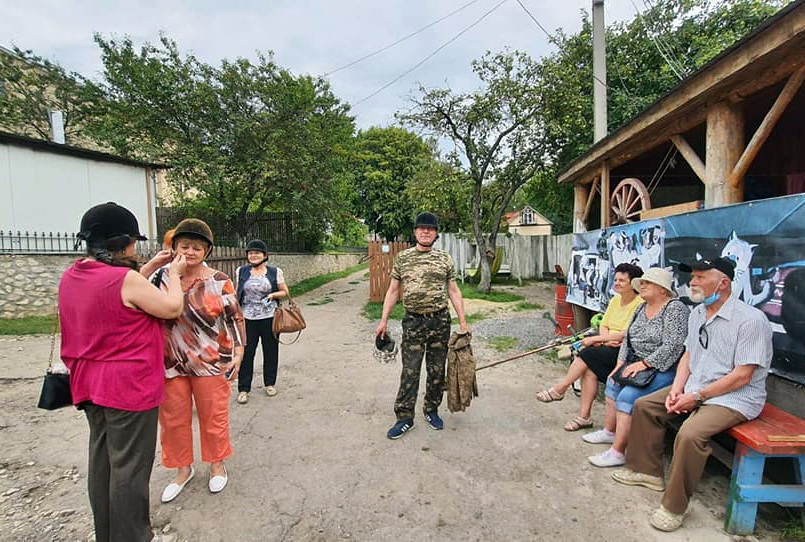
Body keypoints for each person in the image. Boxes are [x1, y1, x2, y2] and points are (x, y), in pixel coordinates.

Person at [611, 257, 773, 532]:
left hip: (734, 397)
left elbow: (742, 376)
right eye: (692, 276)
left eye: (700, 277)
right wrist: (677, 389)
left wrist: (696, 397)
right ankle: (646, 472)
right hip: (696, 387)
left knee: (690, 433)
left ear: (723, 283)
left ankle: (673, 507)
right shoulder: (698, 312)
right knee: (646, 405)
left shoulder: (751, 320)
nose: (692, 282)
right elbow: (688, 354)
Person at [59, 202, 186, 542]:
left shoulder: (74, 275)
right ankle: (132, 537)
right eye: (133, 242)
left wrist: (148, 267)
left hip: (89, 385)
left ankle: (107, 534)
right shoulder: (126, 279)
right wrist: (172, 275)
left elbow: (116, 294)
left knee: (103, 464)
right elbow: (172, 306)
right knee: (129, 469)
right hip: (128, 389)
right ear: (123, 243)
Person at [154, 218, 246, 503]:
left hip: (209, 361)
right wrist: (168, 271)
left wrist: (239, 352)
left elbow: (234, 318)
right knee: (172, 420)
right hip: (170, 361)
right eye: (184, 246)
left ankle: (217, 464)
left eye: (196, 247)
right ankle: (183, 469)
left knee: (213, 416)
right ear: (174, 248)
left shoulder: (219, 281)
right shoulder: (161, 278)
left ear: (206, 250)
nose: (190, 252)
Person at [375, 212, 469, 439]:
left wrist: (463, 322)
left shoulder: (444, 258)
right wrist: (383, 320)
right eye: (421, 228)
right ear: (415, 232)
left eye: (430, 228)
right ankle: (404, 417)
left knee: (436, 370)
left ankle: (431, 410)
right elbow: (393, 290)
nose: (425, 231)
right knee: (410, 371)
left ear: (436, 233)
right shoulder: (404, 258)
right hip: (413, 321)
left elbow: (453, 291)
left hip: (440, 321)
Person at [584, 267, 689, 468]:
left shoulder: (674, 309)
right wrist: (620, 365)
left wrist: (644, 364)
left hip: (662, 367)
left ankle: (618, 451)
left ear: (662, 289)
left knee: (628, 396)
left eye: (648, 283)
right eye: (642, 283)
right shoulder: (641, 307)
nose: (643, 286)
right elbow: (627, 339)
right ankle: (609, 431)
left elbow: (674, 346)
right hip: (635, 362)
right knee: (612, 384)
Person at [536, 263, 644, 431]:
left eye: (622, 280)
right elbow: (604, 324)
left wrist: (600, 339)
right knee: (589, 369)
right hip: (608, 345)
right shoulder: (615, 300)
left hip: (626, 350)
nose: (616, 283)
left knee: (588, 353)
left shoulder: (640, 304)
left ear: (634, 284)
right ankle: (583, 417)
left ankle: (560, 389)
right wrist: (604, 339)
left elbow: (628, 333)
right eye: (615, 279)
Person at [235, 239, 289, 404]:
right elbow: (237, 291)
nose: (253, 255)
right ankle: (244, 389)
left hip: (269, 318)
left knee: (271, 351)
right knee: (246, 353)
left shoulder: (274, 272)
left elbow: (285, 292)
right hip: (247, 319)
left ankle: (270, 383)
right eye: (251, 253)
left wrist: (273, 295)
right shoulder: (241, 271)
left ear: (264, 255)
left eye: (257, 253)